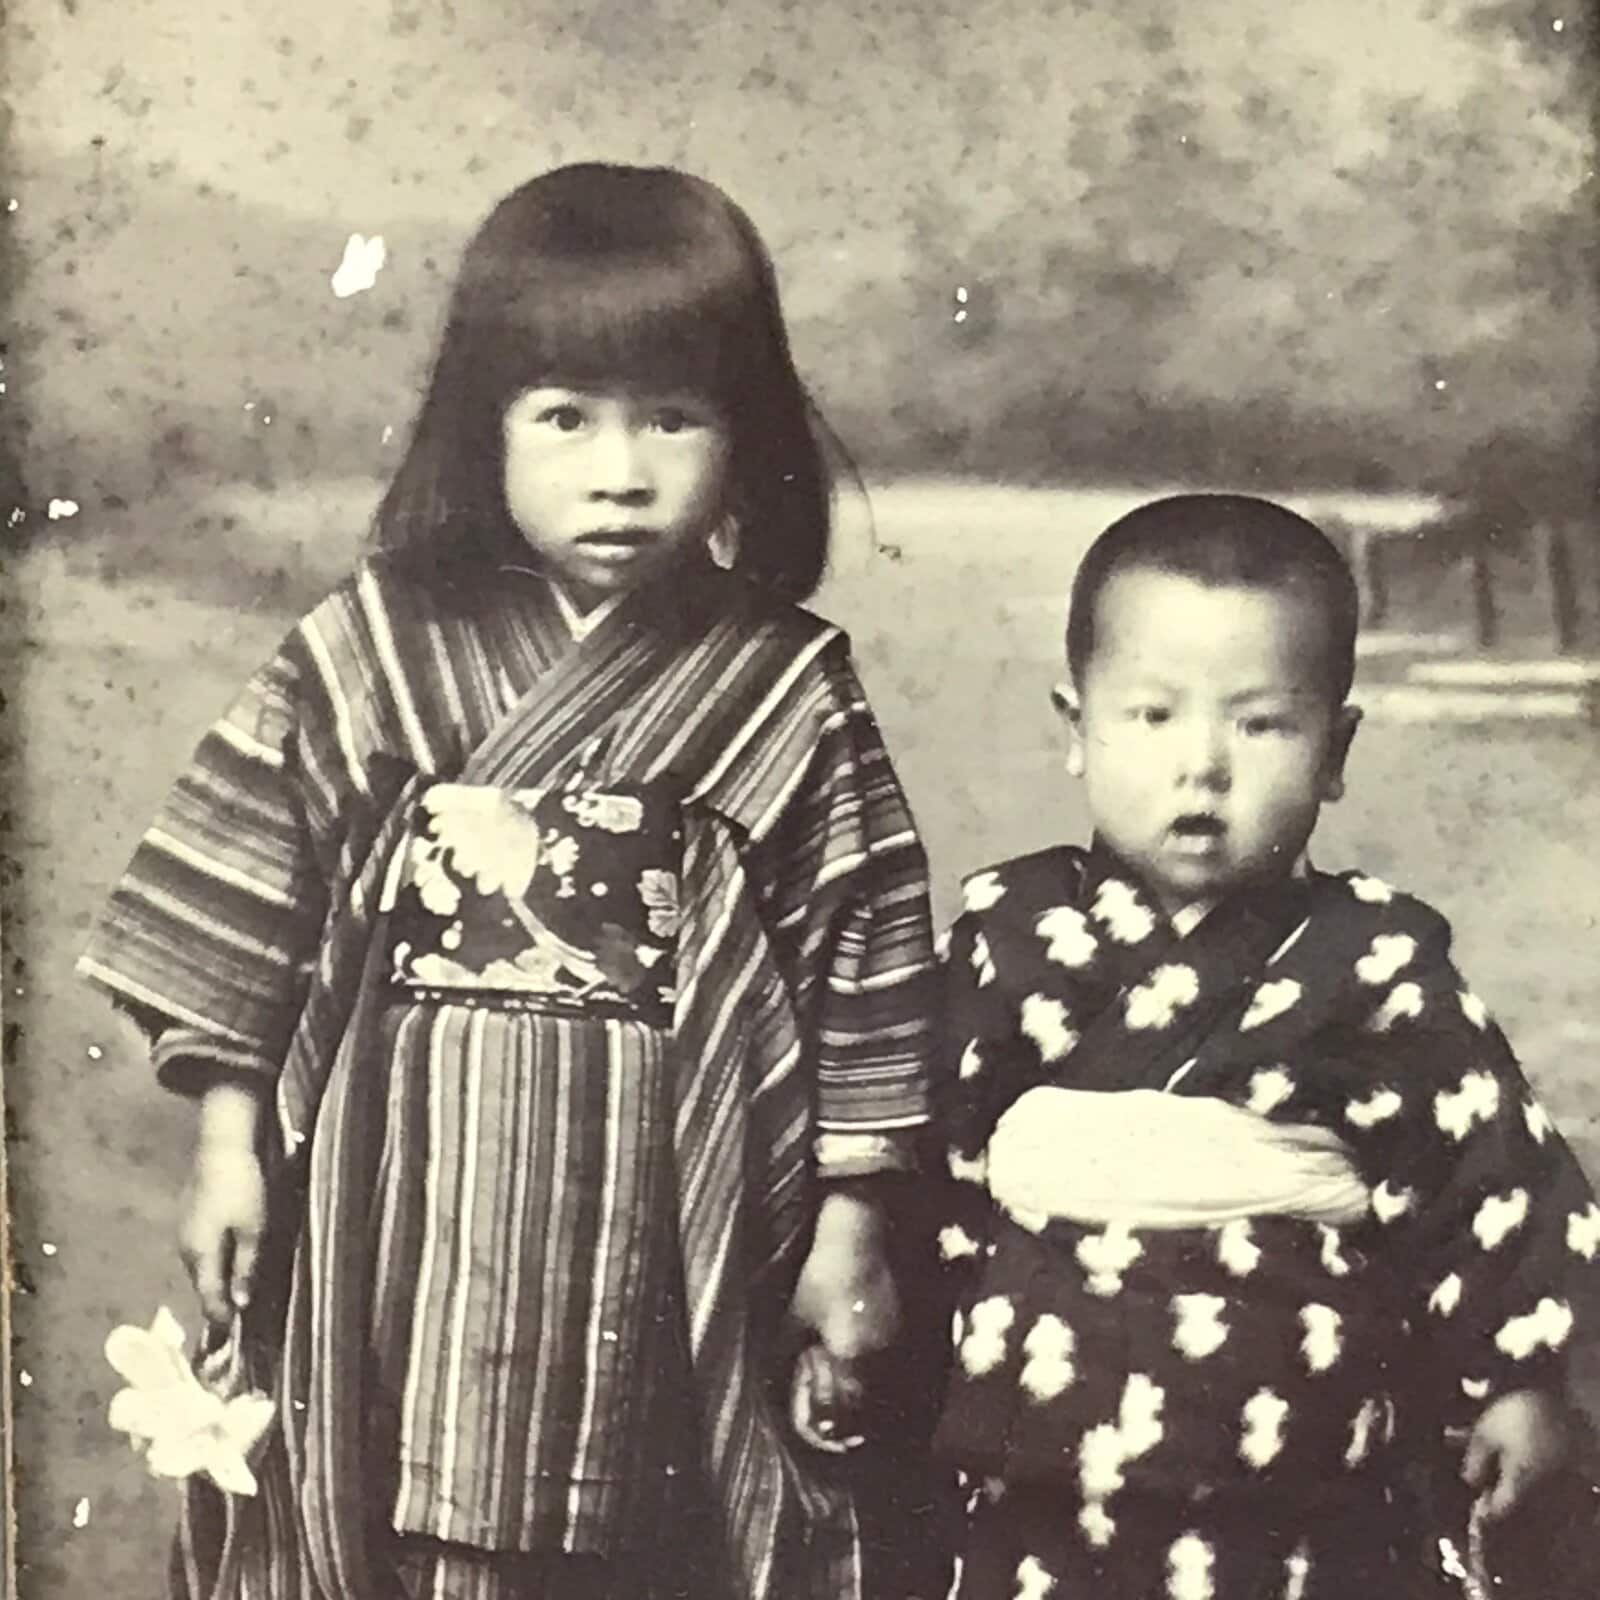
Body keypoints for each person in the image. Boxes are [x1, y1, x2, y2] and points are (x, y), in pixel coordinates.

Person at [79, 163, 937, 1600]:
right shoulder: (378, 645)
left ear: (748, 435)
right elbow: (254, 894)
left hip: (667, 1195)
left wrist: (853, 1230)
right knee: (392, 1488)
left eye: (675, 416)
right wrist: (231, 1144)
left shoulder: (779, 684)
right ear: (484, 431)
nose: (621, 469)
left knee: (650, 1518)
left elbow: (866, 955)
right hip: (405, 1174)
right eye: (566, 419)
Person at [930, 493, 1599, 1599]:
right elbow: (938, 1171)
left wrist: (1516, 1379)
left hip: (1302, 1463)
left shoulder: (1373, 959)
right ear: (1074, 725)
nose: (1202, 765)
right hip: (1042, 1450)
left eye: (1261, 724)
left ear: (1335, 748)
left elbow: (1491, 1183)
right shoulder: (1009, 936)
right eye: (1150, 717)